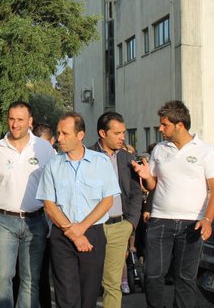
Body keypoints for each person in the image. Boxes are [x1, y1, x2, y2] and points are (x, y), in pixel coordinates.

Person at [132, 100, 214, 308]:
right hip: (160, 221)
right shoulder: (159, 150)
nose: (160, 128)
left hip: (192, 223)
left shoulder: (206, 151)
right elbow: (153, 184)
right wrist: (146, 176)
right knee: (153, 275)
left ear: (179, 125)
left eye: (164, 125)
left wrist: (208, 220)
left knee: (185, 279)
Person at [36, 112, 120, 308]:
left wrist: (82, 228)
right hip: (62, 234)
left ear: (80, 135)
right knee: (66, 296)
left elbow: (107, 201)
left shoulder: (101, 162)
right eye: (58, 133)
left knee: (88, 296)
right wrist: (74, 234)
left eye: (65, 133)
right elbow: (49, 205)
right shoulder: (53, 165)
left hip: (93, 234)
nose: (59, 139)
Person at [0, 101, 56, 308]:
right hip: (4, 222)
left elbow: (54, 184)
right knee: (2, 276)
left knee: (31, 278)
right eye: (11, 119)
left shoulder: (44, 149)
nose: (15, 124)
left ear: (30, 122)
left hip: (35, 221)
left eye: (20, 120)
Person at [89, 112, 143, 308]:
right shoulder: (88, 157)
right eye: (117, 133)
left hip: (120, 226)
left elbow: (137, 193)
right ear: (102, 133)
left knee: (113, 284)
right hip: (93, 228)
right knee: (89, 282)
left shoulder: (128, 159)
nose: (123, 137)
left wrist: (131, 224)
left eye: (124, 132)